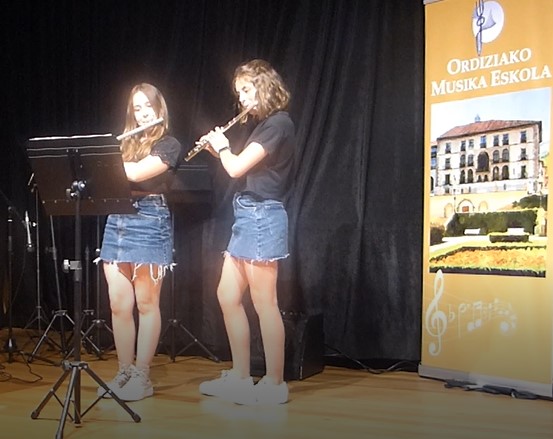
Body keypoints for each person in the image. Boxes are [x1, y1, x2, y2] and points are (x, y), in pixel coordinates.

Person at [198, 59, 295, 405]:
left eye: (246, 90)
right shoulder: (265, 125)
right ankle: (241, 377)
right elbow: (237, 166)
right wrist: (217, 151)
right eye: (239, 92)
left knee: (265, 303)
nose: (241, 98)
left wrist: (224, 147)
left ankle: (275, 383)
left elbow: (237, 167)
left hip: (263, 216)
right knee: (227, 295)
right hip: (247, 216)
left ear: (264, 87)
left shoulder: (278, 123)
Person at [96, 83, 182, 401]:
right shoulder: (126, 144)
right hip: (117, 220)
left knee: (146, 304)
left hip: (150, 220)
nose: (143, 113)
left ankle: (142, 376)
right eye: (137, 107)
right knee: (118, 304)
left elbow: (135, 173)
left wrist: (103, 160)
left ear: (159, 109)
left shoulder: (169, 144)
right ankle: (124, 371)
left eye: (148, 106)